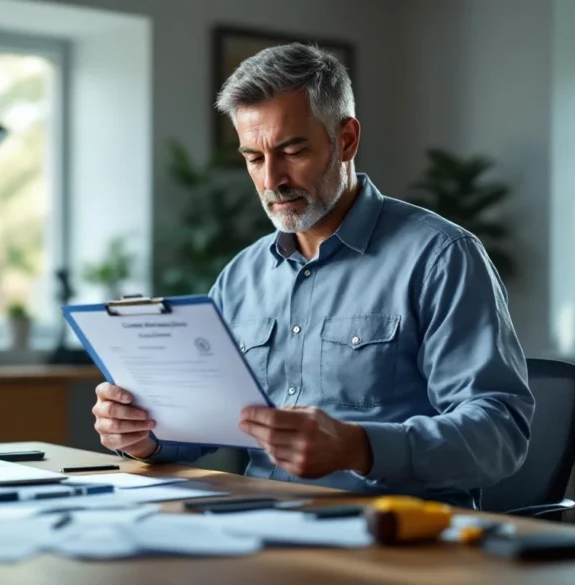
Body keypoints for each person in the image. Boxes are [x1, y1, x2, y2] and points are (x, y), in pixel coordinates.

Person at [91, 43, 534, 509]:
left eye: (292, 150)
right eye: (254, 159)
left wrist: (359, 447)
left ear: (346, 140)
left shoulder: (441, 257)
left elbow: (500, 434)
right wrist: (145, 437)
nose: (272, 180)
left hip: (396, 540)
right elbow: (212, 425)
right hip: (259, 527)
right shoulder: (240, 277)